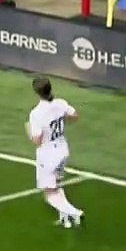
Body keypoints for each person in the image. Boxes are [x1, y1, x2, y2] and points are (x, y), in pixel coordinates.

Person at [26, 76, 84, 228]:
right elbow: (75, 116)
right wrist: (61, 119)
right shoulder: (60, 103)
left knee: (49, 193)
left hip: (48, 154)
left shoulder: (36, 113)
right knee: (56, 185)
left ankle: (74, 212)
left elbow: (37, 141)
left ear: (36, 92)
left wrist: (28, 132)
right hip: (62, 149)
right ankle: (65, 219)